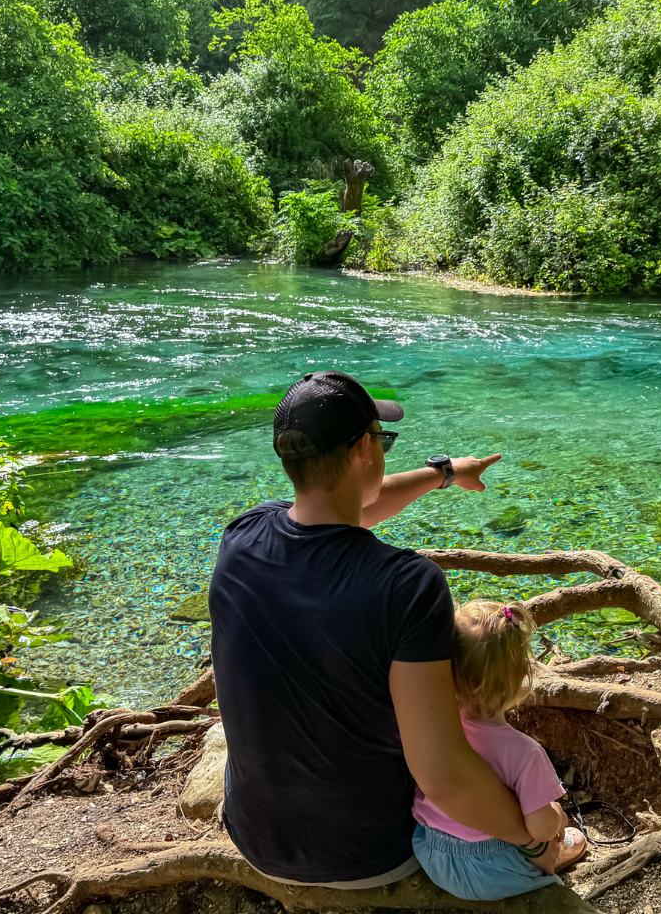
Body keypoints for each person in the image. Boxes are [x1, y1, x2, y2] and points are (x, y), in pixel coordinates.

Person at [208, 370, 533, 888]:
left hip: (255, 835)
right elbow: (442, 775)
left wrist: (443, 473)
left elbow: (348, 508)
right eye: (382, 440)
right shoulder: (408, 586)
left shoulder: (243, 535)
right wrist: (536, 837)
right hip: (365, 853)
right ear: (365, 447)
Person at [411, 600, 587, 900]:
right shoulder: (526, 753)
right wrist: (558, 816)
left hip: (430, 851)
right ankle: (550, 863)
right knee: (553, 827)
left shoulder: (435, 728)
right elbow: (540, 828)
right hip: (491, 869)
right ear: (520, 679)